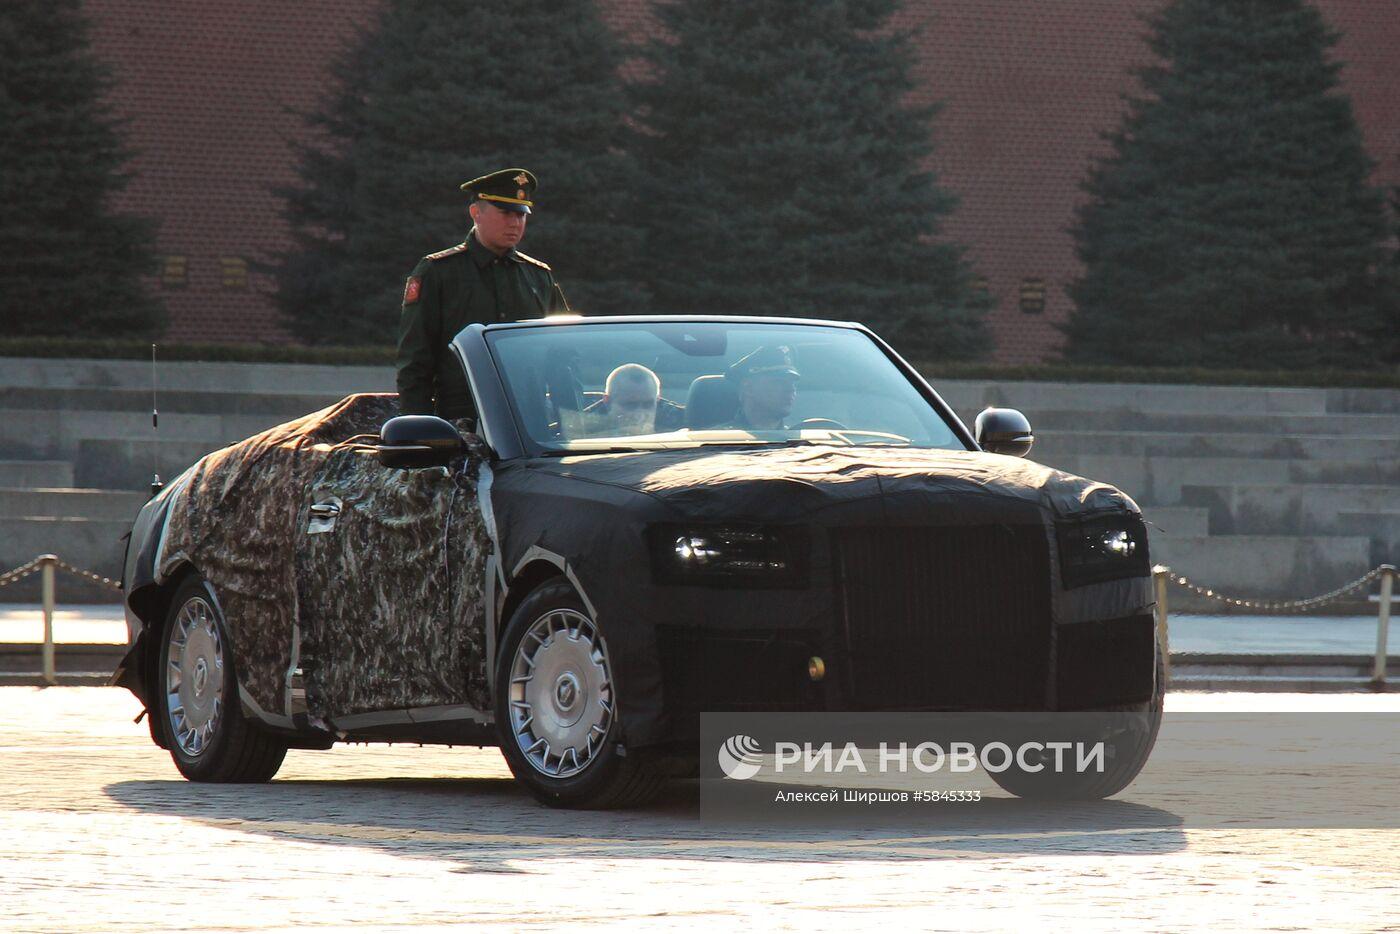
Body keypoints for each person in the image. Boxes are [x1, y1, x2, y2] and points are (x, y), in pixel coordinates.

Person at [396, 168, 571, 420]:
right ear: (475, 213)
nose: (515, 223)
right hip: (462, 420)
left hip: (529, 420)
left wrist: (572, 420)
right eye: (506, 213)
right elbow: (415, 360)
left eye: (521, 215)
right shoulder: (439, 271)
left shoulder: (538, 276)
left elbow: (562, 354)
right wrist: (419, 427)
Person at [581, 364, 685, 436]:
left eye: (648, 405)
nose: (639, 413)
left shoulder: (682, 419)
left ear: (657, 400)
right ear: (607, 401)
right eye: (630, 405)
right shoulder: (583, 425)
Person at [725, 345, 800, 429]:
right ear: (748, 388)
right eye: (779, 382)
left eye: (792, 383)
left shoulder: (804, 436)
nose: (791, 389)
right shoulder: (719, 436)